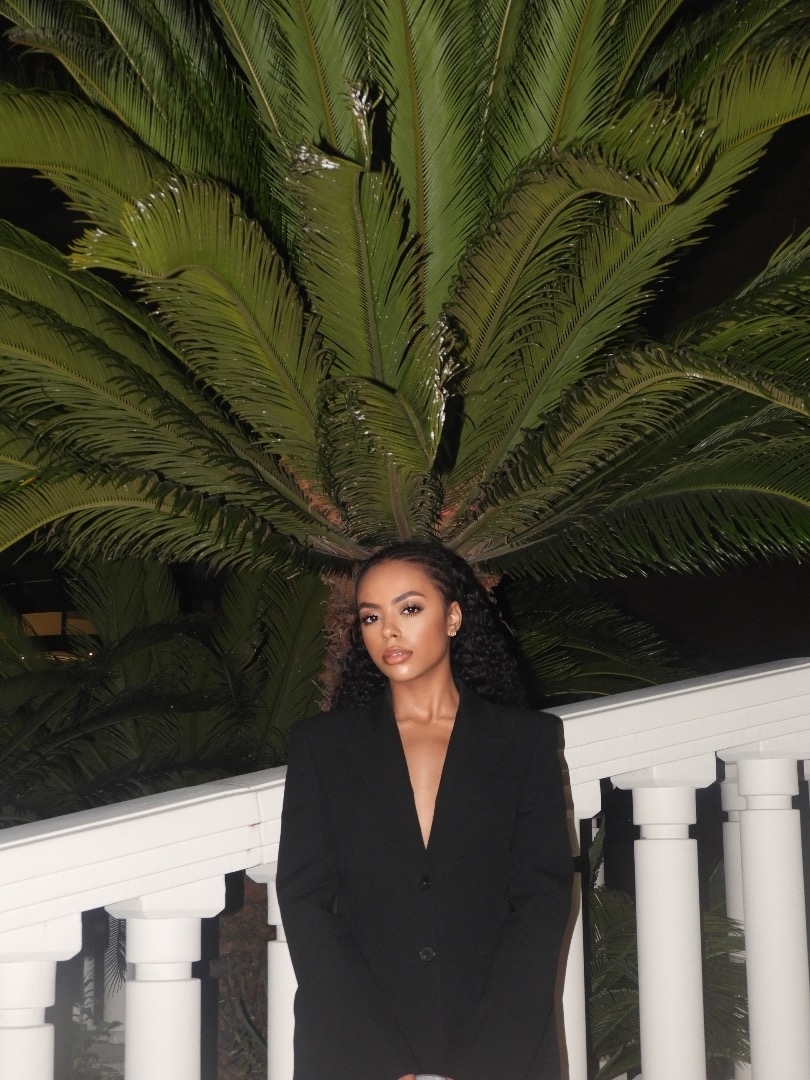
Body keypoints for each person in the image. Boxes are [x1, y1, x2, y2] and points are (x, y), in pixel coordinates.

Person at [277, 541, 573, 1080]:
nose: (388, 631)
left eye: (409, 609)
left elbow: (542, 900)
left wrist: (489, 1062)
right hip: (358, 1042)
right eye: (371, 616)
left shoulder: (525, 742)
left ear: (453, 617)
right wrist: (378, 1061)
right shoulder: (322, 746)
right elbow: (304, 902)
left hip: (497, 1040)